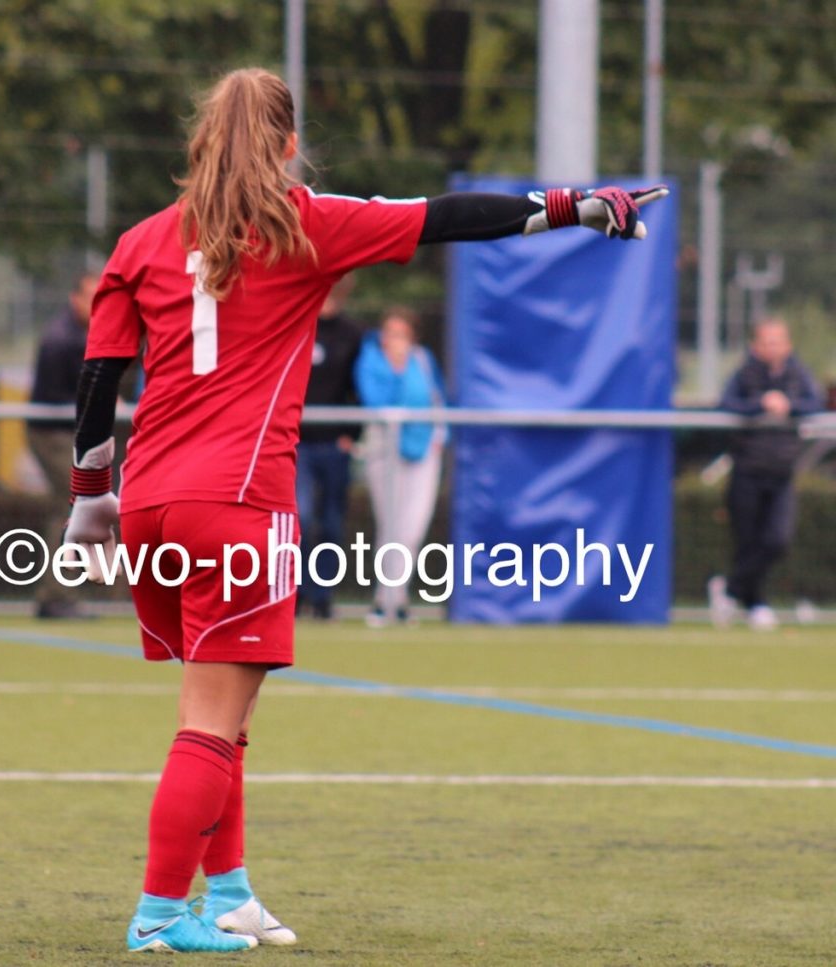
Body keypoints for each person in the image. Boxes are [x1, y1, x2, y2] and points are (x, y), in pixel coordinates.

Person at [60, 67, 666, 954]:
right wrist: (580, 206)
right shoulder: (306, 222)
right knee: (210, 721)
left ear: (198, 142)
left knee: (223, 715)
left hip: (152, 503)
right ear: (289, 144)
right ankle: (158, 912)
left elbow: (98, 379)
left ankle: (227, 893)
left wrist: (88, 500)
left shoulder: (141, 241)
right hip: (237, 503)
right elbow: (448, 218)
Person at [709, 317, 824, 630]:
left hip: (782, 471)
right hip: (747, 469)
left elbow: (816, 404)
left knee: (777, 540)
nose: (773, 347)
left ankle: (730, 590)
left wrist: (789, 406)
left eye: (779, 341)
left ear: (788, 345)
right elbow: (725, 405)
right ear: (755, 345)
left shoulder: (798, 375)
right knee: (748, 541)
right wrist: (760, 404)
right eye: (767, 341)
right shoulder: (745, 374)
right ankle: (756, 604)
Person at [354, 305, 445, 626]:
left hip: (423, 450)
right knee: (391, 527)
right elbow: (377, 402)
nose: (396, 340)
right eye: (390, 334)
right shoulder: (372, 360)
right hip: (386, 451)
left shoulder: (423, 359)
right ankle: (384, 601)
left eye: (402, 334)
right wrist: (395, 367)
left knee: (412, 527)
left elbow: (436, 398)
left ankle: (399, 598)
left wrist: (439, 434)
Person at [27, 273, 100, 619]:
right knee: (71, 510)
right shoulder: (67, 340)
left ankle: (56, 593)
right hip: (55, 434)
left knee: (72, 510)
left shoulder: (79, 335)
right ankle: (56, 594)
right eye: (90, 296)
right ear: (75, 299)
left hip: (64, 434)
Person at [295, 274, 361, 620]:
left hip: (333, 443)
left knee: (332, 523)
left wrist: (352, 433)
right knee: (300, 518)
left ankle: (322, 597)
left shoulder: (352, 334)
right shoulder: (296, 324)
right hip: (296, 442)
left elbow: (358, 389)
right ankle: (293, 594)